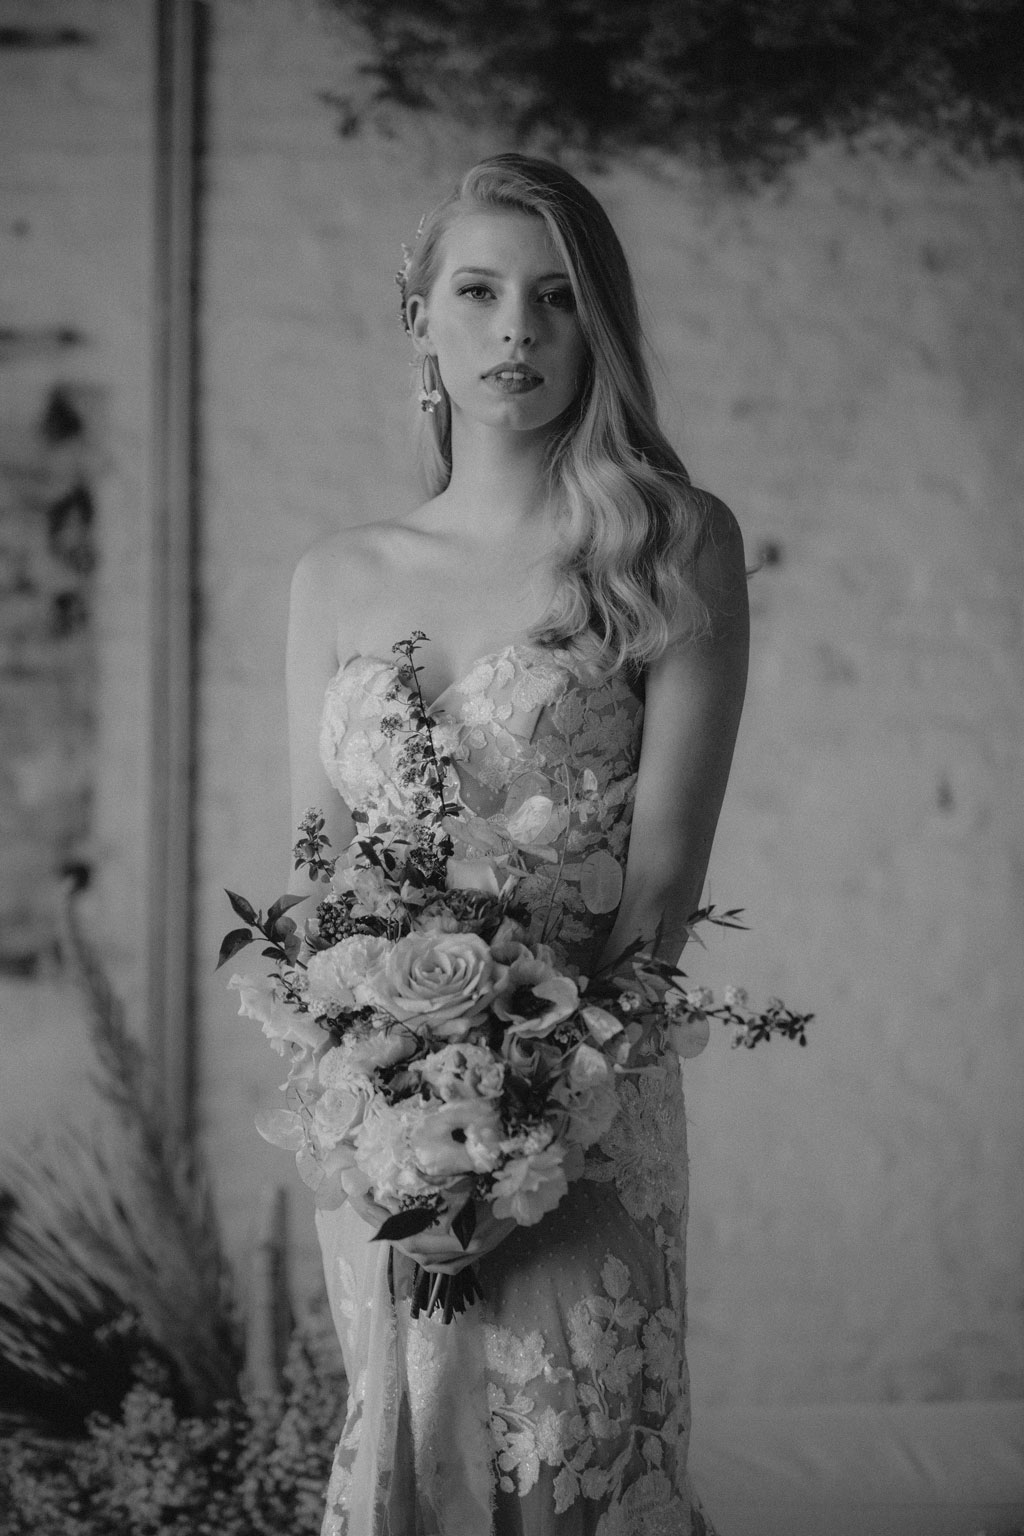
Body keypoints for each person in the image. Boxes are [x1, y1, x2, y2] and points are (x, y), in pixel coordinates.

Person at [285, 154, 748, 1536]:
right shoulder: (337, 575)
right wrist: (389, 1136)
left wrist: (524, 1141)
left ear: (595, 325)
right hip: (384, 1146)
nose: (516, 332)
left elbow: (662, 884)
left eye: (556, 299)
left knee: (567, 1482)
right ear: (418, 315)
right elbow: (310, 889)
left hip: (583, 1127)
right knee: (402, 1470)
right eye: (478, 292)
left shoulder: (670, 545)